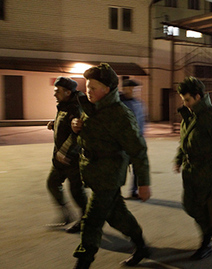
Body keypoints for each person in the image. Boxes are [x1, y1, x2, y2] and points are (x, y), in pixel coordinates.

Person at [71, 63, 151, 269]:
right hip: (94, 172)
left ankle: (83, 262)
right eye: (87, 87)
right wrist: (77, 128)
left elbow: (138, 151)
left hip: (109, 174)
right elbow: (88, 140)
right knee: (117, 216)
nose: (88, 92)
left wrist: (143, 183)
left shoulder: (120, 115)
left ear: (107, 90)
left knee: (92, 221)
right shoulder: (91, 109)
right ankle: (141, 246)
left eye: (93, 88)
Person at [174, 77, 212, 260]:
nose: (185, 103)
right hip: (191, 169)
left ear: (198, 97)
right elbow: (184, 141)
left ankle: (206, 240)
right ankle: (209, 231)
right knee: (190, 205)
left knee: (201, 206)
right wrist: (179, 158)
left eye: (188, 100)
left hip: (207, 170)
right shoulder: (190, 115)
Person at [46, 77, 88, 233]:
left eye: (57, 91)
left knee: (77, 191)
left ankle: (86, 220)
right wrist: (54, 123)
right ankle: (66, 214)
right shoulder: (64, 106)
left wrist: (64, 151)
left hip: (73, 159)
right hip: (59, 158)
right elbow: (65, 122)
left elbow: (77, 134)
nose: (55, 94)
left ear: (67, 92)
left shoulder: (77, 107)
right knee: (52, 183)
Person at [120, 79, 146, 199]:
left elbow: (142, 120)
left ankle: (134, 191)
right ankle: (115, 192)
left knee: (137, 167)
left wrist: (141, 136)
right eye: (131, 89)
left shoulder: (138, 103)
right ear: (125, 89)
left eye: (136, 89)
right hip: (122, 142)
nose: (134, 91)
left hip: (136, 141)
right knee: (120, 167)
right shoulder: (119, 103)